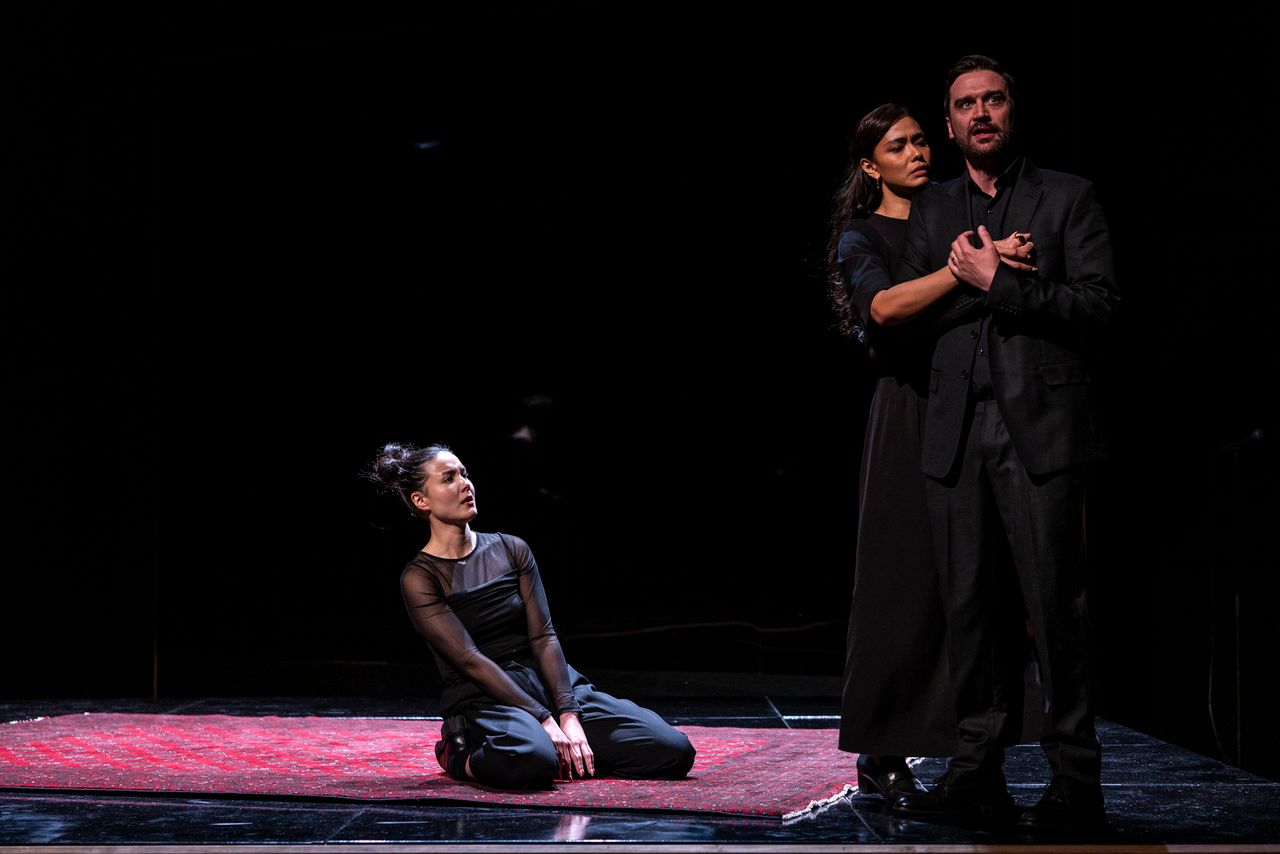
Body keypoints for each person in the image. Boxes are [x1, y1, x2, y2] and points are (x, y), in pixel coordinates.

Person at [889, 55, 1118, 831]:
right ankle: (975, 775)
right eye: (965, 104)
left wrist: (1003, 283)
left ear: (1011, 112)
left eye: (992, 100)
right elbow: (909, 320)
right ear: (949, 124)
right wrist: (977, 278)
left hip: (1042, 433)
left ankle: (1076, 784)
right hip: (956, 432)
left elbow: (1099, 307)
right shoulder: (932, 208)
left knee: (1056, 612)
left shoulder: (1067, 196)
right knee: (968, 613)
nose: (980, 113)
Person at [827, 104, 1033, 803]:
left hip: (973, 404)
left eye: (921, 141)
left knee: (975, 584)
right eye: (898, 146)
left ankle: (973, 747)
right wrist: (970, 269)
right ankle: (881, 749)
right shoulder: (865, 235)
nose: (917, 153)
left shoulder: (954, 220)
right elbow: (883, 309)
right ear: (870, 165)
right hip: (909, 413)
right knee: (901, 578)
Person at [366, 442, 696, 790]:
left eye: (464, 474)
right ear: (422, 501)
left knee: (672, 750)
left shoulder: (512, 549)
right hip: (487, 693)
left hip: (544, 679)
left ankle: (569, 753)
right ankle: (458, 754)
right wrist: (543, 718)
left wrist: (567, 714)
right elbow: (470, 660)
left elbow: (543, 636)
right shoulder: (420, 578)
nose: (465, 484)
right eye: (449, 478)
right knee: (532, 759)